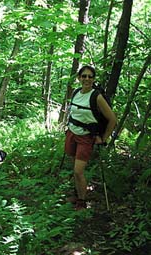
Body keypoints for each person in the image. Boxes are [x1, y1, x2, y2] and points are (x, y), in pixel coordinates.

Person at [65, 65, 116, 210]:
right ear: (79, 78)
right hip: (72, 134)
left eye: (90, 76)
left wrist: (104, 138)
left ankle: (82, 201)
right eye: (84, 76)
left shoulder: (96, 97)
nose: (87, 79)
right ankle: (77, 194)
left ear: (93, 79)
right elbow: (73, 113)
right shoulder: (76, 93)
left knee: (78, 171)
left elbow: (112, 119)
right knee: (74, 167)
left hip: (86, 138)